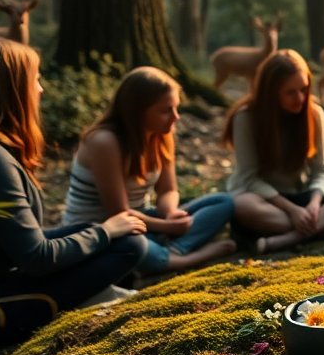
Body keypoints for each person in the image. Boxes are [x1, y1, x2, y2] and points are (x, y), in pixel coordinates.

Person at [0, 37, 148, 350]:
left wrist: (101, 232)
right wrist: (105, 231)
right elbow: (37, 258)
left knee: (111, 234)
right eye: (35, 79)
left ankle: (94, 294)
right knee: (128, 244)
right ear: (10, 89)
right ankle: (93, 298)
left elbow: (24, 246)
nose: (41, 89)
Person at [63, 66, 235, 275]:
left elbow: (168, 190)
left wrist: (170, 213)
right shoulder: (104, 142)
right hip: (102, 230)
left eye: (176, 108)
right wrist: (167, 227)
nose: (176, 117)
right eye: (166, 110)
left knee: (223, 202)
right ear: (137, 111)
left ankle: (171, 251)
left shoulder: (161, 134)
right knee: (132, 244)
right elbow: (118, 213)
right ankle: (184, 258)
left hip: (143, 220)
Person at [223, 49, 324, 253]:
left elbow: (321, 170)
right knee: (240, 205)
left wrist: (314, 203)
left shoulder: (314, 113)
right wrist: (292, 210)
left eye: (304, 89)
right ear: (271, 92)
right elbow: (249, 178)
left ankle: (287, 238)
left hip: (303, 195)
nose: (300, 98)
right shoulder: (246, 117)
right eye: (290, 92)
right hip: (265, 199)